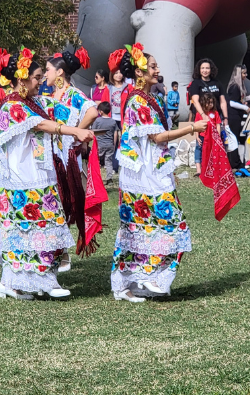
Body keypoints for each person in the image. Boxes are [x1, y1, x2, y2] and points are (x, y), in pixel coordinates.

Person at [0, 49, 95, 300]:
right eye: (37, 77)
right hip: (21, 180)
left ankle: (25, 281)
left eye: (43, 76)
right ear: (22, 79)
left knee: (45, 226)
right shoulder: (11, 106)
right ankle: (25, 282)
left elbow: (67, 107)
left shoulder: (38, 102)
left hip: (41, 175)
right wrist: (73, 131)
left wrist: (81, 107)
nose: (41, 81)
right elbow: (41, 124)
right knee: (26, 231)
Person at [111, 43, 208, 302]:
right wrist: (192, 128)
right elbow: (156, 137)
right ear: (140, 73)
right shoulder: (137, 101)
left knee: (149, 226)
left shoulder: (153, 98)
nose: (158, 70)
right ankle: (134, 281)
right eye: (153, 66)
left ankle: (145, 279)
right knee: (155, 226)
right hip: (142, 174)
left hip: (155, 170)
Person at [43, 48, 97, 271]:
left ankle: (62, 253)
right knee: (52, 204)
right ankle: (56, 251)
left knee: (63, 203)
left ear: (60, 73)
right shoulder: (50, 96)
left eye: (47, 70)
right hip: (50, 156)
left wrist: (75, 132)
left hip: (65, 158)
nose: (45, 74)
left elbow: (92, 112)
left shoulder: (72, 94)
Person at [225, 64, 250, 176]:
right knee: (233, 140)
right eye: (243, 73)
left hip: (236, 116)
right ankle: (234, 162)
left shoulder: (237, 86)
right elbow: (231, 102)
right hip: (233, 116)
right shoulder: (235, 86)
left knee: (234, 139)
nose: (245, 75)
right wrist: (245, 108)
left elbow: (237, 100)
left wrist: (249, 98)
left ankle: (234, 162)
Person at [189, 58, 229, 129]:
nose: (205, 70)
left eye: (207, 68)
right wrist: (203, 115)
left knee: (218, 137)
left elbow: (222, 101)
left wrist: (226, 118)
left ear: (211, 69)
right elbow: (195, 101)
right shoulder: (196, 83)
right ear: (199, 69)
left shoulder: (217, 82)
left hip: (216, 116)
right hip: (202, 117)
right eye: (202, 68)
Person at [194, 93, 222, 177]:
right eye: (209, 102)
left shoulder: (215, 113)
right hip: (202, 136)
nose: (211, 105)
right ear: (203, 103)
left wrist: (218, 136)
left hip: (212, 137)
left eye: (212, 102)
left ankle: (210, 168)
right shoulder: (199, 114)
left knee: (211, 152)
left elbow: (218, 124)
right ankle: (199, 169)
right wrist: (197, 137)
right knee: (199, 150)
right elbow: (196, 125)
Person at [92, 101, 119, 184]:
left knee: (97, 162)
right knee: (108, 162)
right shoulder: (113, 121)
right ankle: (109, 178)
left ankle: (97, 179)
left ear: (101, 111)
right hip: (109, 144)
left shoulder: (98, 121)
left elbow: (93, 132)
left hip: (99, 145)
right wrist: (114, 144)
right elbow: (115, 133)